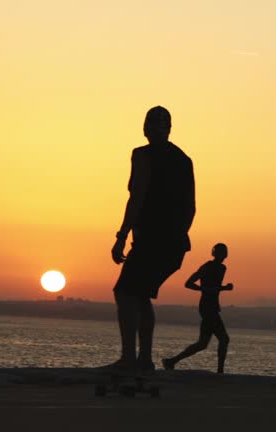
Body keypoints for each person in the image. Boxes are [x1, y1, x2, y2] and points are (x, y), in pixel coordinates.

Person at [108, 106, 196, 374]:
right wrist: (177, 236)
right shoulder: (184, 159)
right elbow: (191, 208)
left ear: (147, 128)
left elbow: (137, 197)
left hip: (153, 241)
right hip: (174, 244)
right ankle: (143, 360)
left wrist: (121, 236)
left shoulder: (142, 155)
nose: (153, 130)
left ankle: (129, 359)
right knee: (141, 295)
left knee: (124, 293)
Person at [163, 243, 233, 374]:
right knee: (224, 339)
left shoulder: (222, 268)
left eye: (223, 252)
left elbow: (213, 287)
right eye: (220, 252)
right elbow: (189, 283)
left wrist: (222, 288)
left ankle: (171, 361)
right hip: (207, 307)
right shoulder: (207, 267)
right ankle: (220, 371)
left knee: (202, 343)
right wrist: (204, 289)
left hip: (211, 306)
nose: (222, 255)